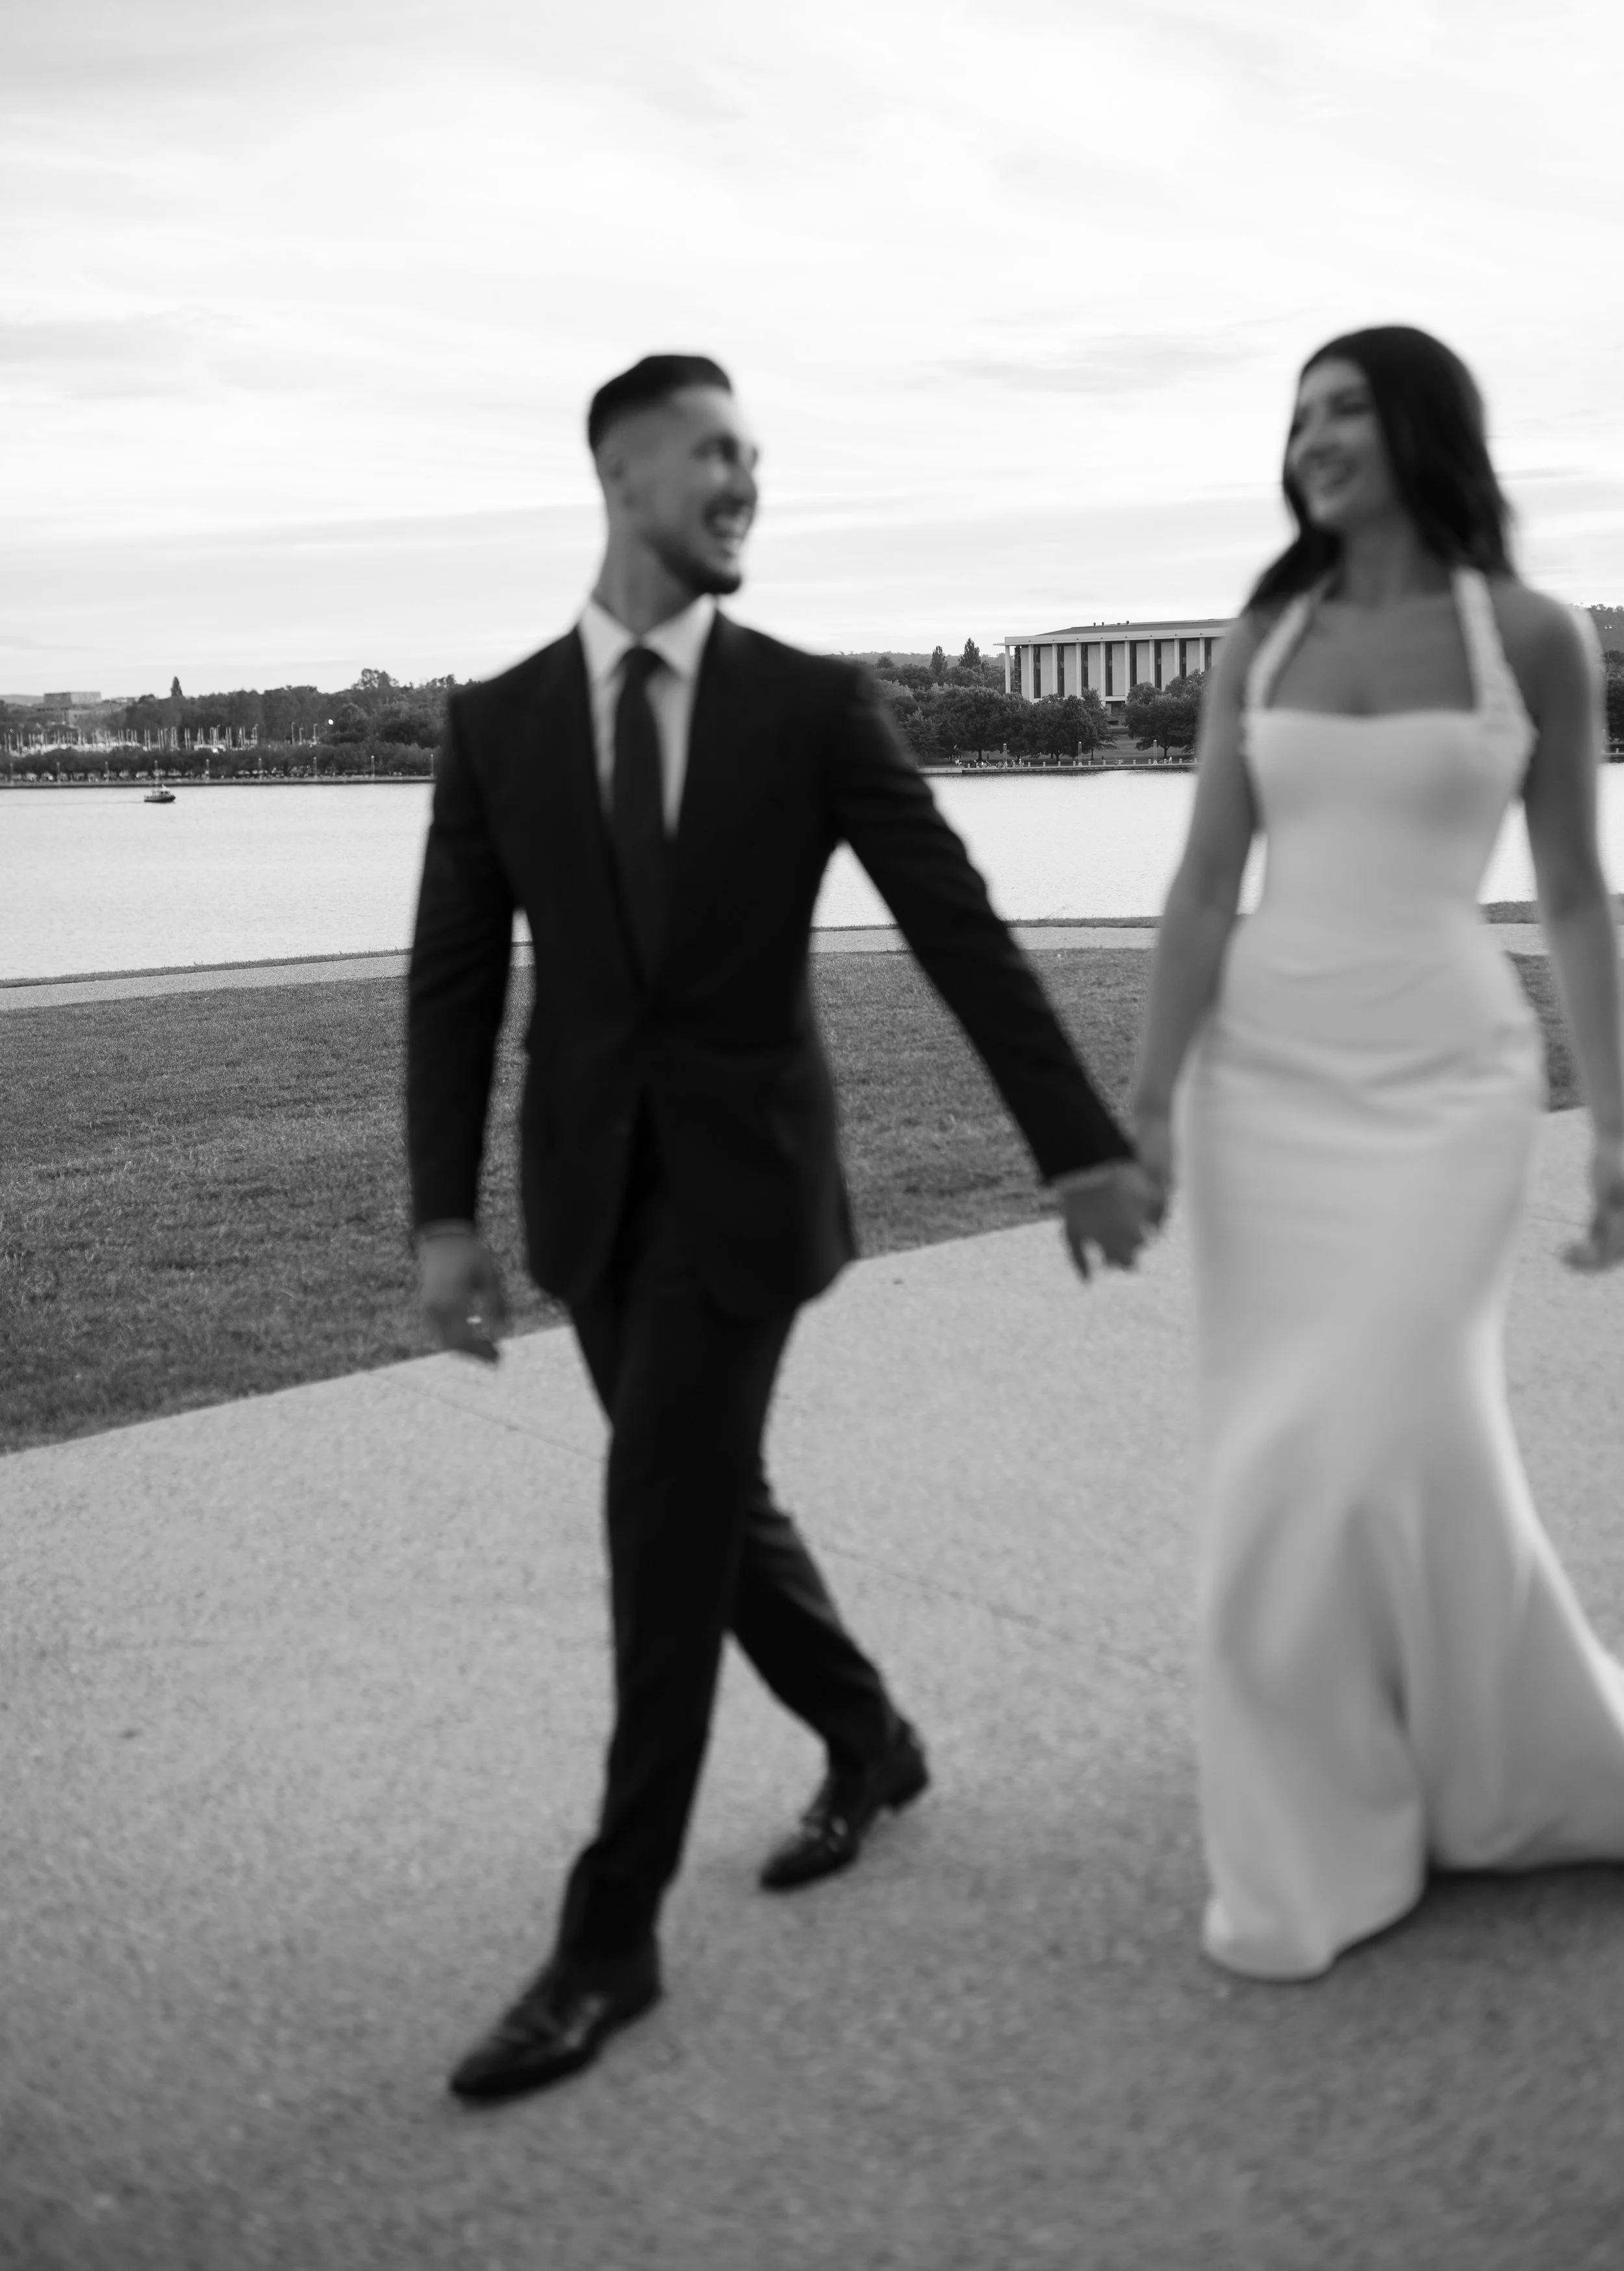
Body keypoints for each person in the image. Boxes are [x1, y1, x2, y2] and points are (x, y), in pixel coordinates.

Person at [406, 353, 1158, 2101]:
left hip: (748, 1191)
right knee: (712, 1502)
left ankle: (610, 1933)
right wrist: (444, 1217)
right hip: (589, 1198)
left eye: (758, 455)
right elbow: (453, 984)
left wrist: (1074, 1146)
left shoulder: (810, 706)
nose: (747, 481)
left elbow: (955, 926)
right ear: (621, 472)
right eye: (716, 452)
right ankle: (868, 1734)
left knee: (659, 1508)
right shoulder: (499, 720)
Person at [1130, 324, 1624, 1981]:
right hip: (1264, 1089)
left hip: (1446, 1089)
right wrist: (1141, 1108)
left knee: (1391, 1421)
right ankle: (1319, 1829)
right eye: (1295, 415)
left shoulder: (1532, 639)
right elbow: (1202, 887)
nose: (1311, 437)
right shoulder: (1261, 639)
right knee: (1291, 1453)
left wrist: (1614, 1120)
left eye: (1342, 408)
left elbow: (1566, 893)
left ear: (1422, 427)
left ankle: (1504, 1772)